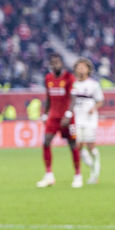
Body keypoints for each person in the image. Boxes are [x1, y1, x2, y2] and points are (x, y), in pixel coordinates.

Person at [36, 53, 82, 188]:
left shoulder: (69, 78)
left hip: (68, 118)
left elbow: (73, 98)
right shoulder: (48, 78)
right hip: (53, 117)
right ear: (50, 64)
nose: (55, 65)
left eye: (57, 62)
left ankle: (77, 175)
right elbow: (48, 97)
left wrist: (68, 114)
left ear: (62, 63)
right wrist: (45, 114)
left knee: (73, 145)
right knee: (46, 142)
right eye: (53, 63)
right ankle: (49, 175)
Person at [71, 58, 104, 184]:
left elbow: (100, 101)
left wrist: (93, 108)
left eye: (83, 67)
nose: (80, 69)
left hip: (89, 120)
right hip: (76, 119)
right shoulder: (73, 84)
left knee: (90, 145)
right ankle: (92, 167)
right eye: (78, 67)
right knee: (77, 146)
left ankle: (96, 169)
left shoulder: (94, 85)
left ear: (88, 69)